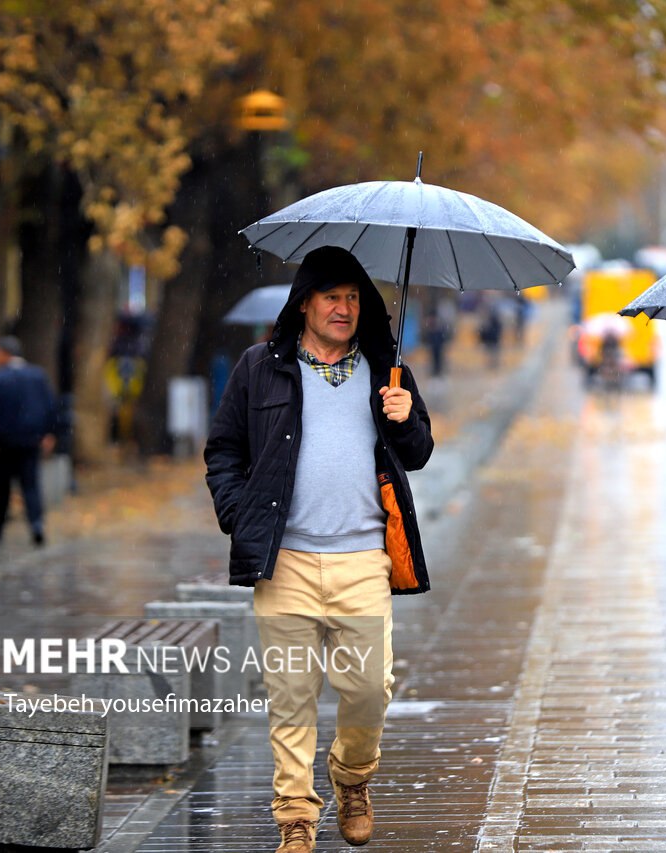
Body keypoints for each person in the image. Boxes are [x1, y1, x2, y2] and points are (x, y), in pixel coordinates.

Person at [204, 246, 435, 853]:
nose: (344, 308)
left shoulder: (387, 373)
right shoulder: (260, 368)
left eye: (354, 298)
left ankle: (352, 778)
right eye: (332, 297)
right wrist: (239, 515)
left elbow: (417, 453)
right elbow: (223, 451)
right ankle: (296, 818)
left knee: (368, 691)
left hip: (363, 559)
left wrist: (407, 418)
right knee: (291, 695)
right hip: (285, 562)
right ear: (304, 303)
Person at [0, 335, 58, 546]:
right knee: (30, 485)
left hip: (1, 443)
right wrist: (49, 432)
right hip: (30, 441)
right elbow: (50, 405)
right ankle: (36, 524)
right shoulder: (37, 376)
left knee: (0, 488)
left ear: (5, 353)